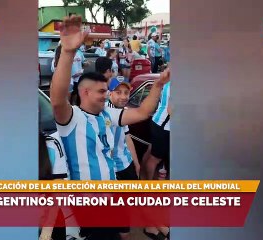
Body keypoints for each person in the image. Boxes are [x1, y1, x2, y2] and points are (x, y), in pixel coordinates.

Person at [50, 14, 170, 239]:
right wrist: (67, 53)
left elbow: (143, 112)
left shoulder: (107, 115)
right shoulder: (72, 118)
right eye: (103, 91)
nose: (108, 96)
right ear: (85, 93)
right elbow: (56, 100)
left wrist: (159, 85)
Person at [107, 77, 140, 240]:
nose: (123, 96)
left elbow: (127, 137)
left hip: (125, 164)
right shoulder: (104, 113)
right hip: (113, 170)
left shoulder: (123, 112)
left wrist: (136, 162)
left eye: (126, 92)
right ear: (109, 94)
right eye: (118, 92)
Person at [141, 81, 171, 240]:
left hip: (164, 125)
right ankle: (147, 188)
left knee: (155, 155)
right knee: (155, 157)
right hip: (164, 126)